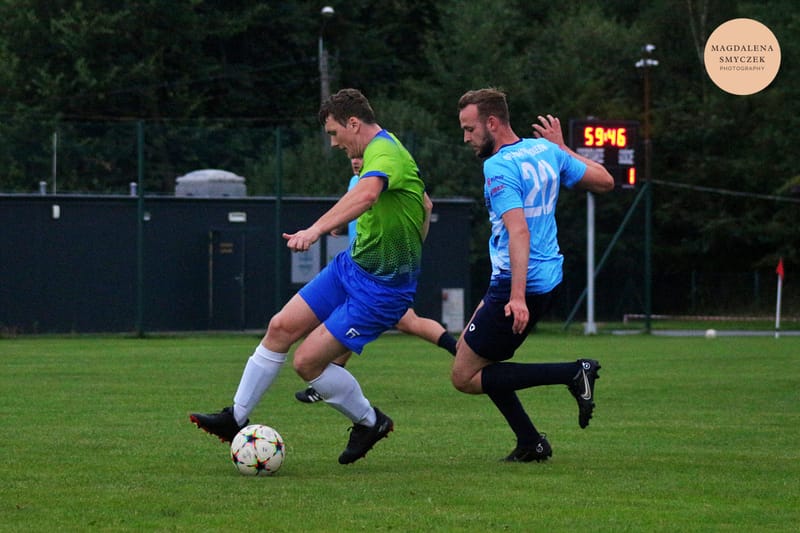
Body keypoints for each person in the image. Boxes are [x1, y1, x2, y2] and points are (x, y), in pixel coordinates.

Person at [191, 88, 427, 465]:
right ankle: (235, 418)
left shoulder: (385, 151)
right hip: (351, 268)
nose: (333, 143)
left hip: (381, 290)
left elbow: (367, 195)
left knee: (307, 363)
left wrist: (317, 229)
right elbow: (424, 203)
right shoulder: (382, 152)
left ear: (353, 123)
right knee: (280, 327)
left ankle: (371, 422)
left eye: (334, 133)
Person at [454, 88, 614, 463]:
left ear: (492, 123)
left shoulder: (497, 167)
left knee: (464, 377)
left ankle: (574, 373)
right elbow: (605, 181)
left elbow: (519, 232)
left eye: (470, 129)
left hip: (518, 282)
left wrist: (516, 296)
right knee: (469, 351)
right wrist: (563, 147)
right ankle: (530, 443)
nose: (466, 138)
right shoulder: (545, 151)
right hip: (545, 277)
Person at [295, 157, 458, 404]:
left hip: (381, 274)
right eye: (351, 156)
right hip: (356, 270)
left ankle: (459, 350)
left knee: (406, 321)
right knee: (350, 322)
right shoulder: (357, 181)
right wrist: (339, 224)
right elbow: (356, 208)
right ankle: (327, 381)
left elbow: (426, 204)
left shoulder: (385, 178)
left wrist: (415, 242)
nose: (355, 161)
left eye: (360, 156)